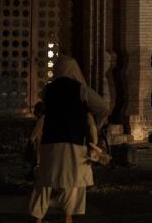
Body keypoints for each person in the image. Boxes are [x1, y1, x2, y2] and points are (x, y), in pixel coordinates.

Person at [28, 56, 108, 223]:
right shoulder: (81, 89)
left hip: (50, 143)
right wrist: (96, 124)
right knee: (74, 182)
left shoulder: (48, 90)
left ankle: (38, 217)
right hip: (74, 143)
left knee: (45, 181)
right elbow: (102, 107)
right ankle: (68, 217)